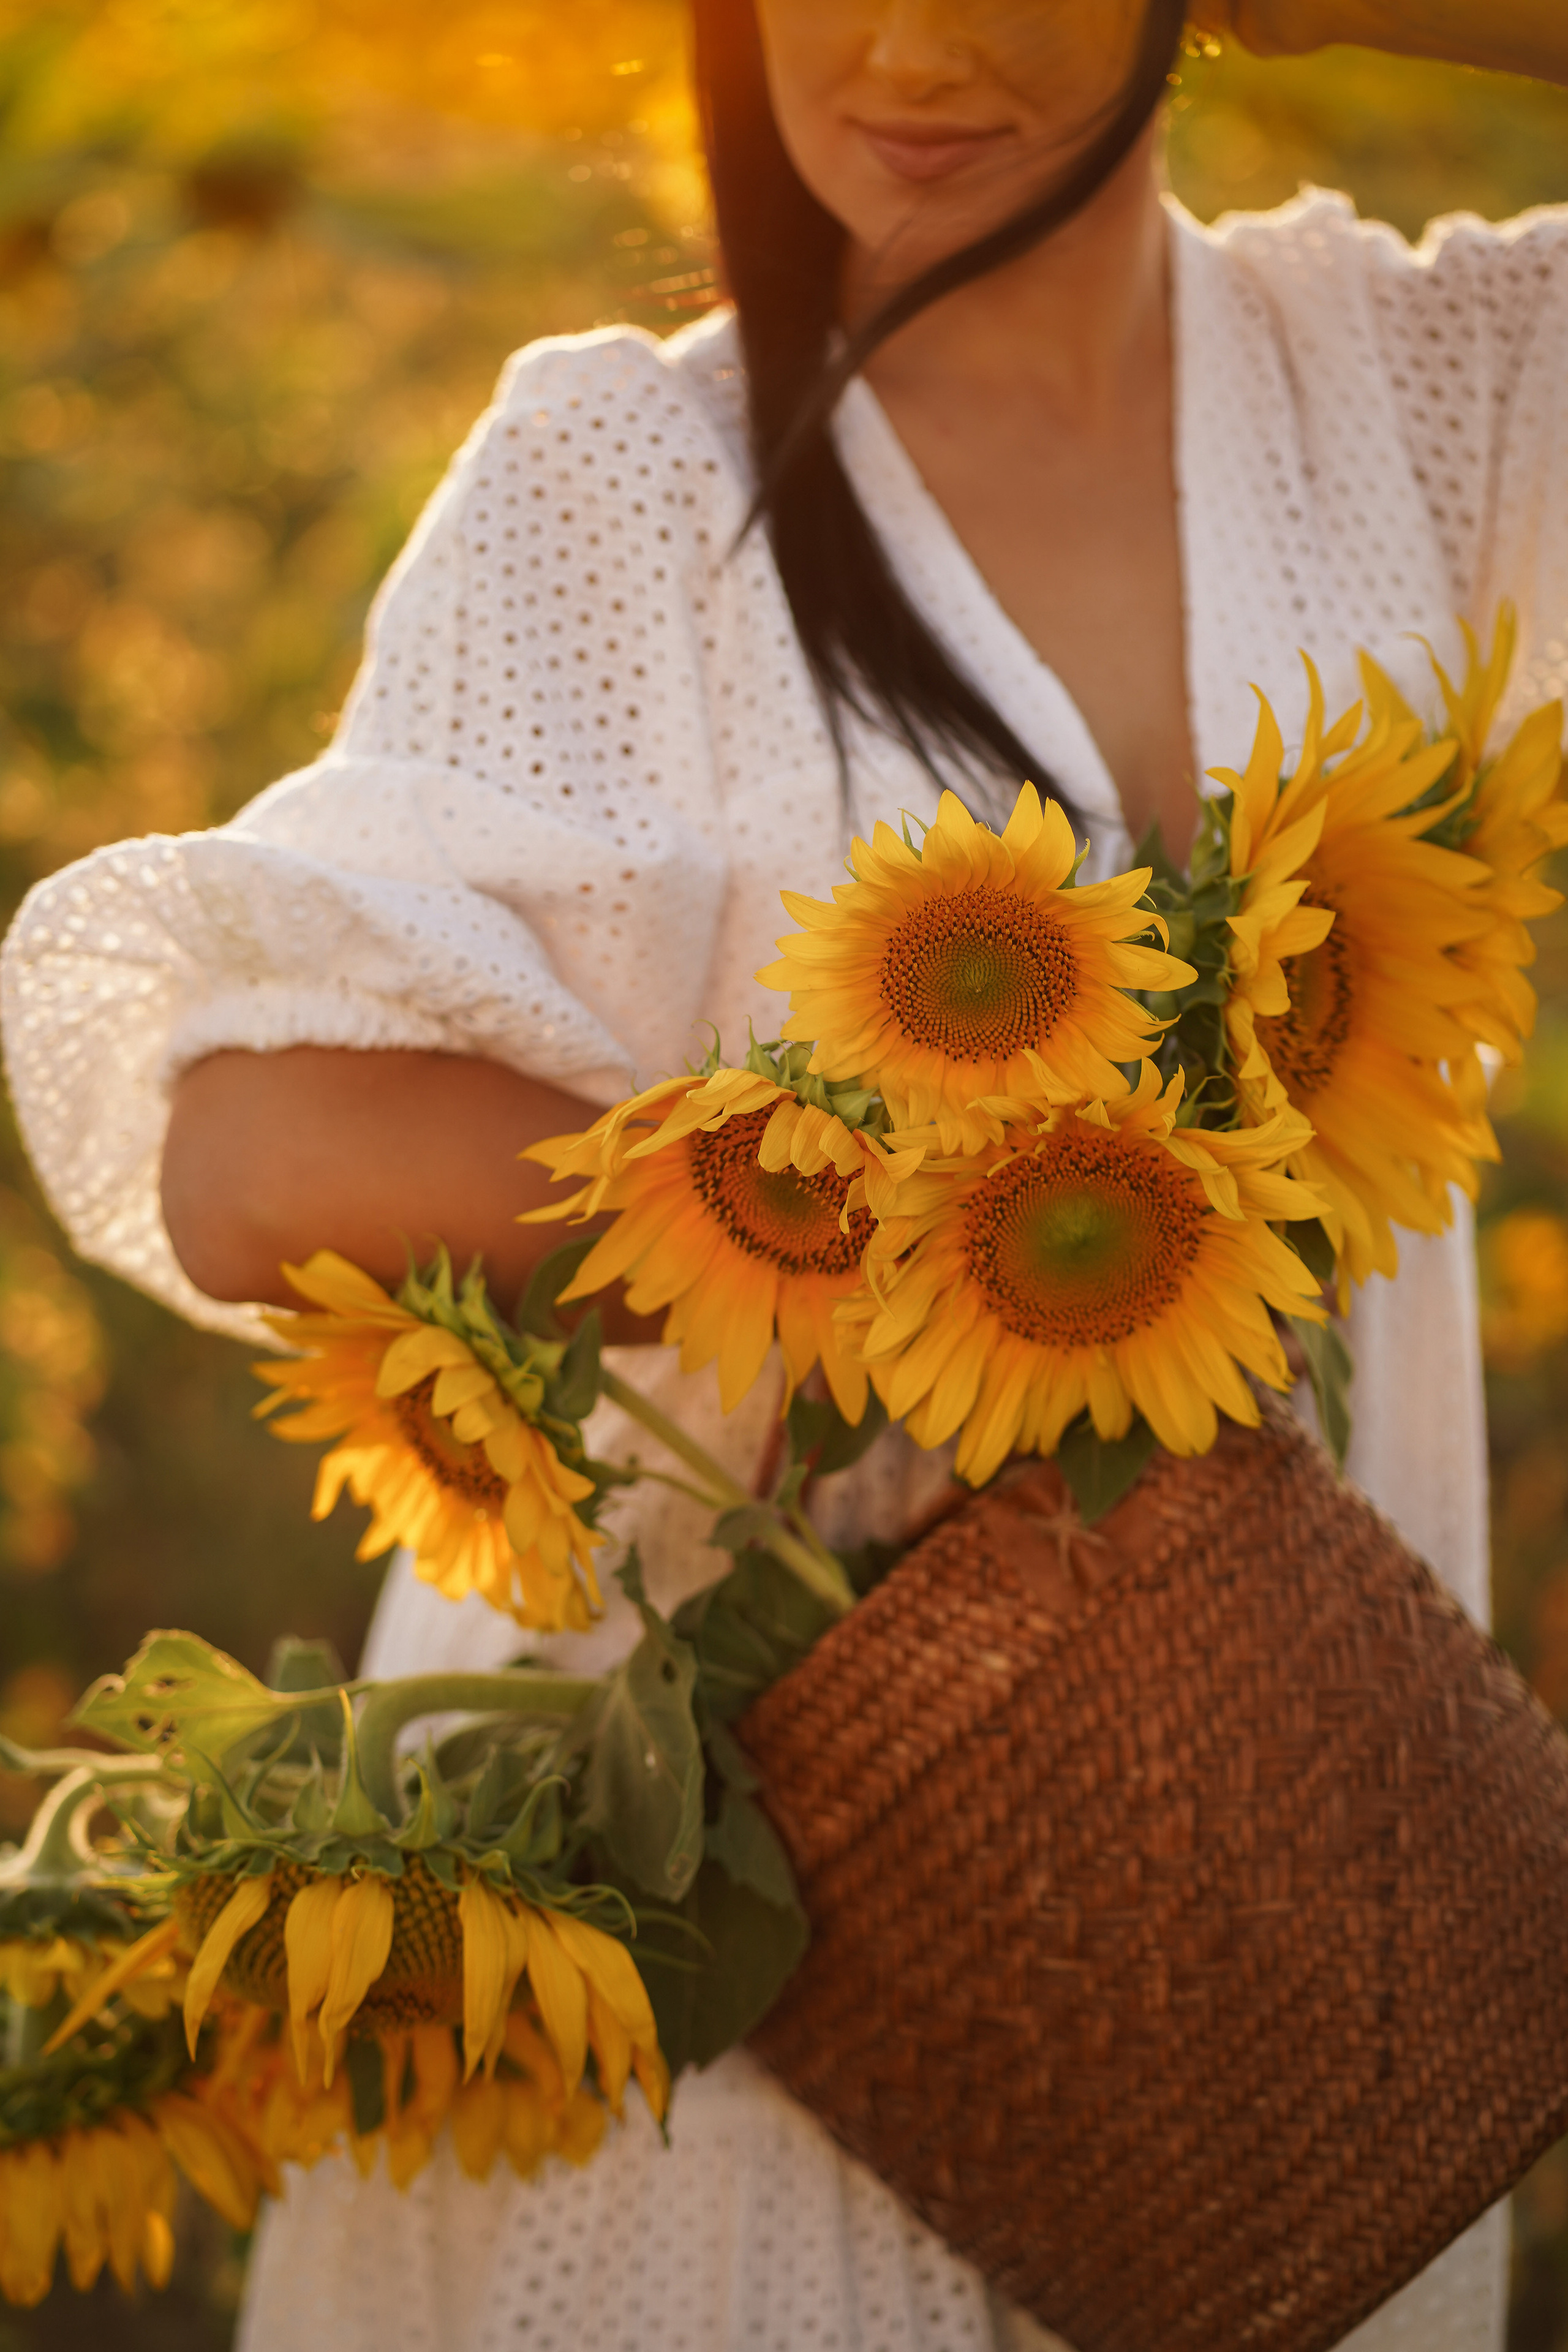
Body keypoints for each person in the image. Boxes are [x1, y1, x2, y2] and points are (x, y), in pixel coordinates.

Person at [5, 1, 1567, 2344]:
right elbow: (255, 1150)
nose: (909, 42)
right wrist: (933, 1264)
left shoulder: (1427, 398)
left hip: (1258, 1899)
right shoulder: (633, 476)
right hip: (720, 1922)